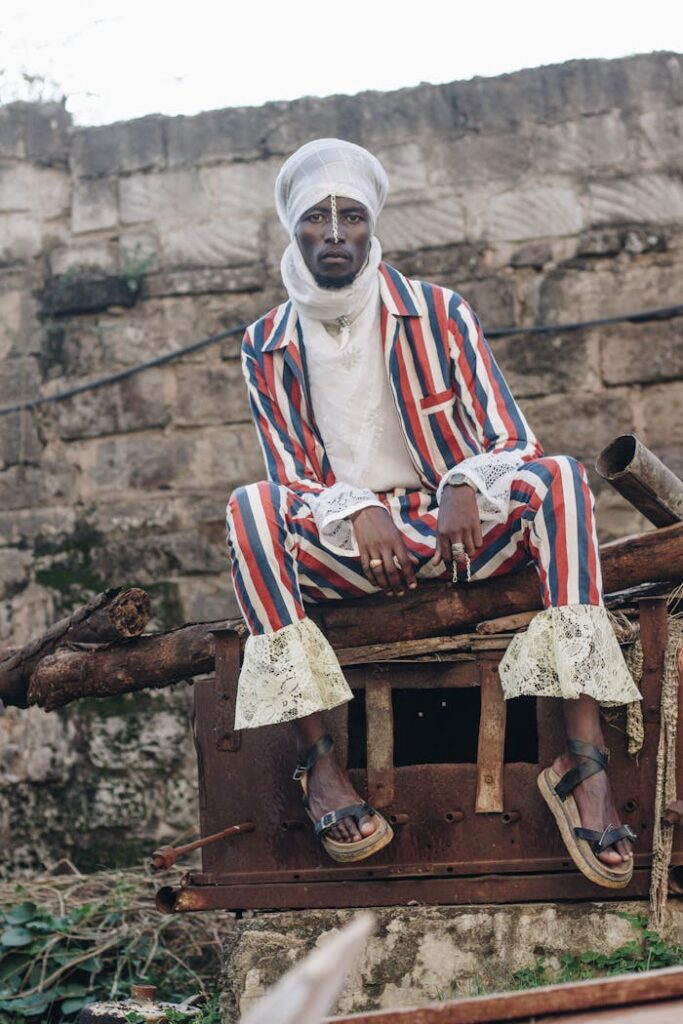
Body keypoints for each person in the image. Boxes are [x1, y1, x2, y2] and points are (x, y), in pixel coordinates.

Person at [226, 139, 641, 883]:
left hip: (459, 534)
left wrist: (462, 485)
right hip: (349, 549)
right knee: (250, 508)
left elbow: (512, 437)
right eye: (314, 219)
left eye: (349, 216)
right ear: (291, 227)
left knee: (561, 480)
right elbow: (290, 474)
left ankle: (581, 761)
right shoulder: (266, 343)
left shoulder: (438, 312)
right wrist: (353, 508)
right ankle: (319, 764)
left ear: (371, 222)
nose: (333, 235)